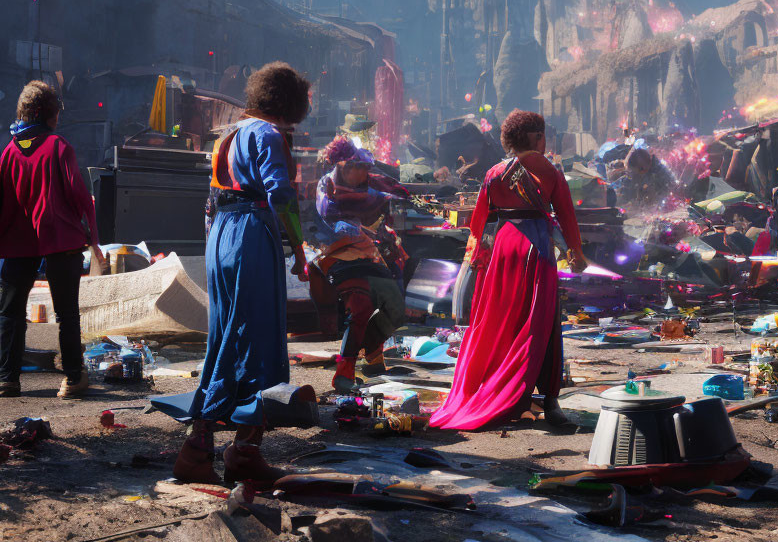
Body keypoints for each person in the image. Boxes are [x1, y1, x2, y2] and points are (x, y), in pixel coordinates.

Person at [173, 62, 310, 486]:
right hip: (251, 232)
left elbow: (212, 200)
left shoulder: (230, 134)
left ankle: (199, 449)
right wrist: (300, 249)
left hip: (222, 236)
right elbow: (281, 196)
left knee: (226, 336)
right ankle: (245, 453)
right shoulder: (268, 134)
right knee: (259, 340)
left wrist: (218, 244)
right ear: (290, 100)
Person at [430, 110, 586, 431]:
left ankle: (504, 389)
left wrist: (478, 259)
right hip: (536, 252)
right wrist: (575, 252)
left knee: (502, 321)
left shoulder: (494, 173)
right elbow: (567, 216)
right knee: (541, 324)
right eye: (542, 135)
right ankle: (550, 401)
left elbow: (480, 223)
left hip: (503, 252)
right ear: (535, 137)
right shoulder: (549, 171)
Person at [0, 81, 101, 399]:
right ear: (47, 114)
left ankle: (7, 379)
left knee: (10, 312)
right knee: (67, 312)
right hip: (61, 239)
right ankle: (72, 379)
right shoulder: (59, 147)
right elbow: (79, 196)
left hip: (18, 243)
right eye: (57, 111)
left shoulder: (9, 152)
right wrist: (93, 236)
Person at [311, 136, 409, 392]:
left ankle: (369, 352)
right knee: (361, 307)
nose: (364, 173)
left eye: (366, 168)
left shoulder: (371, 182)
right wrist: (345, 225)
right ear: (344, 167)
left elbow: (395, 191)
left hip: (367, 252)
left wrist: (405, 199)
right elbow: (327, 215)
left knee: (397, 309)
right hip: (336, 254)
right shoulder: (327, 184)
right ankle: (344, 372)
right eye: (359, 168)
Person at [614, 147, 679, 209]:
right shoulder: (648, 171)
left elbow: (662, 198)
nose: (633, 176)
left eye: (634, 172)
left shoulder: (659, 174)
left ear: (643, 168)